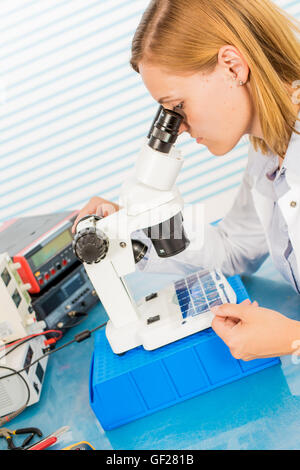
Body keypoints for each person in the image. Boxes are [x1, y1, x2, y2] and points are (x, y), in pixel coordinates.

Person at [72, 0, 300, 361]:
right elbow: (233, 250)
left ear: (232, 66)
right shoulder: (270, 151)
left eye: (177, 107)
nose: (178, 128)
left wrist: (292, 338)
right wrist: (134, 232)